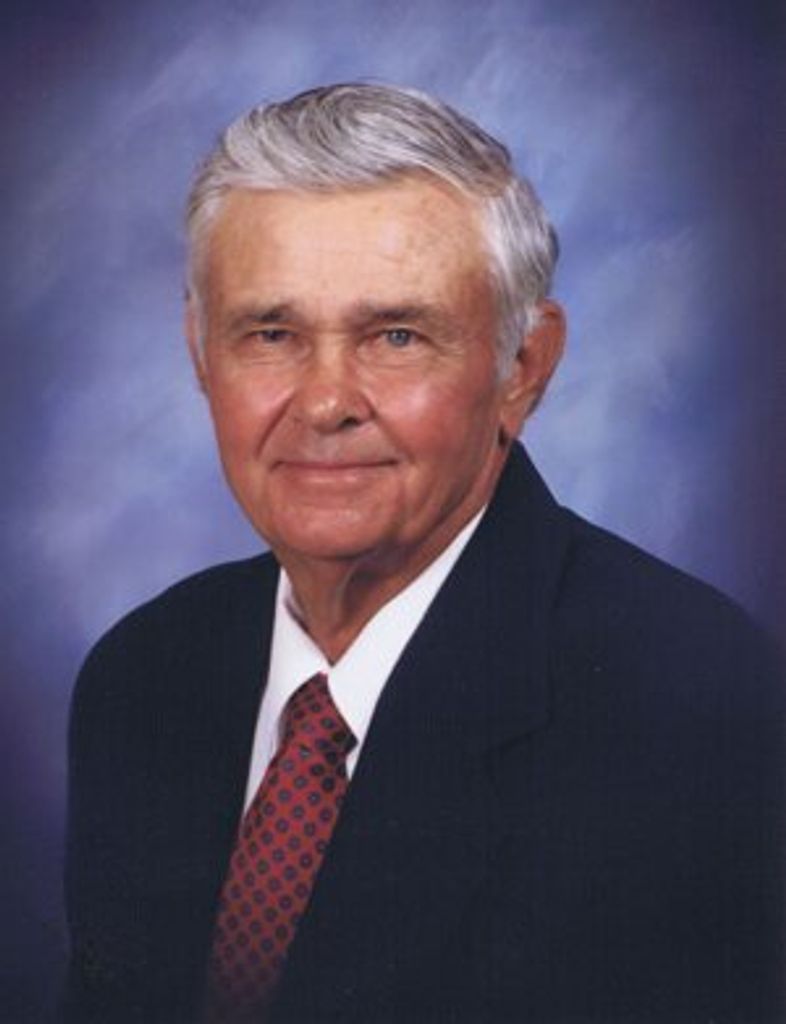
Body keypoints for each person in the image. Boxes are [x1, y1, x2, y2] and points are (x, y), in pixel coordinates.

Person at [63, 83, 783, 1024]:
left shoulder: (694, 708)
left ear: (523, 367)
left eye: (396, 336)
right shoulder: (140, 676)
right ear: (202, 352)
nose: (327, 402)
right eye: (271, 334)